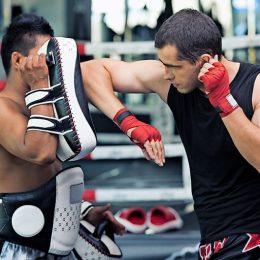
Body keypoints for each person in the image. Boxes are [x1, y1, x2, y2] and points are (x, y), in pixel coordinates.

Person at [81, 8, 260, 259]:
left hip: (252, 241)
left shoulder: (255, 87)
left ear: (205, 60)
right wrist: (128, 122)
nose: (166, 74)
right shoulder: (173, 81)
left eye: (173, 66)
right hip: (213, 242)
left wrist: (224, 101)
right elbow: (89, 72)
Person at [0, 13, 130, 259]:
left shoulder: (42, 108)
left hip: (51, 244)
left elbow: (45, 179)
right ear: (18, 60)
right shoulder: (2, 108)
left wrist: (80, 213)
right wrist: (39, 86)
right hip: (14, 248)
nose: (51, 67)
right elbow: (42, 153)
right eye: (44, 58)